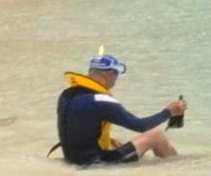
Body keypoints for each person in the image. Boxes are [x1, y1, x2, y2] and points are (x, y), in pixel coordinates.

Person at [54, 52, 185, 165]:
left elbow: (78, 127)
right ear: (109, 75)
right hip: (97, 163)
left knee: (133, 149)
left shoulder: (66, 95)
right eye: (116, 76)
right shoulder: (101, 100)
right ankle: (177, 165)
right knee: (156, 135)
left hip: (72, 160)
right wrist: (169, 112)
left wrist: (110, 140)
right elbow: (140, 126)